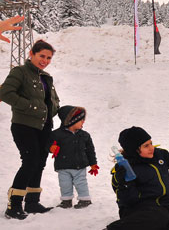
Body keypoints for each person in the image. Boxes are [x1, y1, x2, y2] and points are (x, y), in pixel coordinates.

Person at [0, 40, 59, 220]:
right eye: (42, 56)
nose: (45, 60)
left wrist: (58, 109)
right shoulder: (20, 72)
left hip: (44, 126)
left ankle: (32, 202)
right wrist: (31, 106)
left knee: (40, 162)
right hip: (24, 125)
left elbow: (52, 101)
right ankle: (14, 204)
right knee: (30, 161)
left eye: (48, 57)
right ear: (31, 54)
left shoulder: (46, 77)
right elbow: (5, 93)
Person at [106, 119, 169, 230]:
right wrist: (124, 183)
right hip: (137, 211)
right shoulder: (126, 168)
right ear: (134, 150)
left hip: (161, 207)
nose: (151, 148)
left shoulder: (158, 155)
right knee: (159, 216)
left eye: (150, 143)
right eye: (146, 146)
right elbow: (128, 201)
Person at [49, 105, 98, 209]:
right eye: (81, 120)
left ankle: (85, 200)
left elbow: (90, 151)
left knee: (81, 182)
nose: (83, 122)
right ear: (71, 121)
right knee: (64, 184)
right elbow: (48, 145)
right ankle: (66, 201)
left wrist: (93, 163)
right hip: (63, 166)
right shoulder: (56, 134)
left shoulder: (85, 135)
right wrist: (51, 148)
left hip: (79, 166)